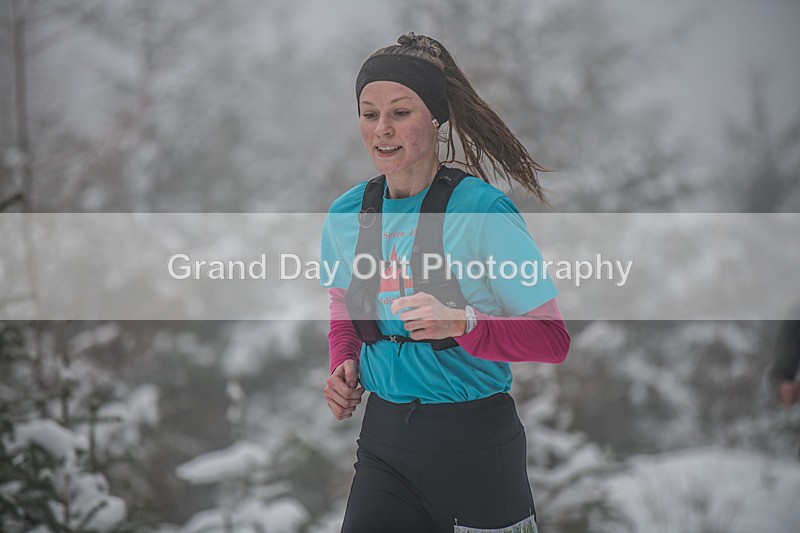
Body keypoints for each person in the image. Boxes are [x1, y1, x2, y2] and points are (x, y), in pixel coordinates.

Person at [320, 33, 570, 532]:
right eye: (370, 114)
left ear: (435, 118)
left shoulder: (483, 212)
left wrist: (463, 323)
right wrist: (342, 363)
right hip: (384, 443)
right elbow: (343, 308)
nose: (382, 130)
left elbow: (552, 340)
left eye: (400, 112)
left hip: (475, 446)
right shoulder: (348, 213)